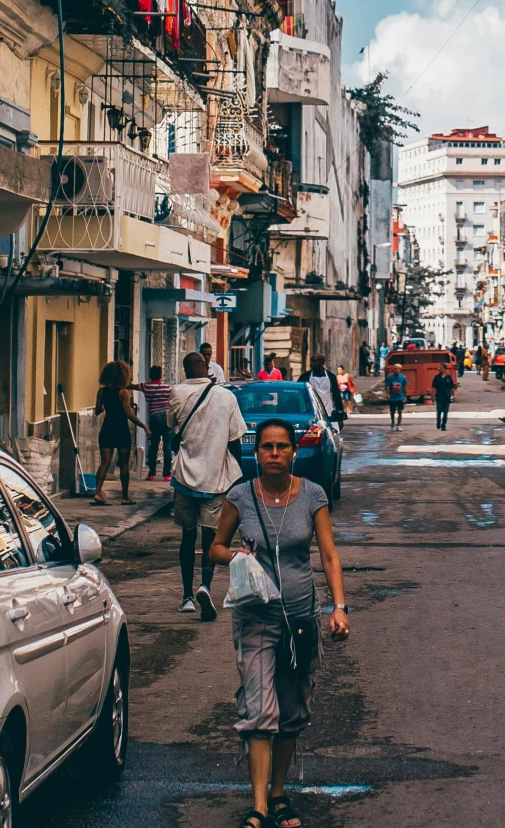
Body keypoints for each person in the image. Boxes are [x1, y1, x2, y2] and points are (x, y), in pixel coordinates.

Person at [210, 419, 349, 828]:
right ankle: (258, 806)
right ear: (257, 454)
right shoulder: (239, 497)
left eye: (282, 447)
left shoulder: (312, 496)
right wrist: (234, 555)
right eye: (267, 447)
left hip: (301, 620)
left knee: (291, 711)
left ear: (293, 452)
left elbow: (328, 555)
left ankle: (279, 793)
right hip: (256, 618)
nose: (274, 453)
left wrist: (339, 607)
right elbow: (214, 547)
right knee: (258, 709)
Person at [168, 351, 250, 619]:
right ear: (207, 367)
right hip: (215, 479)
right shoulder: (226, 397)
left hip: (184, 478)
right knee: (211, 538)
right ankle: (205, 584)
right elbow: (236, 440)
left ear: (185, 370)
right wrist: (238, 477)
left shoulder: (177, 393)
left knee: (187, 536)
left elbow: (171, 425)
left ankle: (186, 596)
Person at [94, 360, 139, 504]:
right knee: (124, 463)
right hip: (121, 429)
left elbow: (97, 411)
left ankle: (98, 493)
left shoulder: (102, 391)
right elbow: (128, 414)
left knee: (104, 462)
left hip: (107, 428)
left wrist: (106, 406)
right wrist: (144, 426)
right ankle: (125, 497)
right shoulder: (123, 392)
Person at [141, 366, 177, 481]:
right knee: (167, 446)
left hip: (154, 418)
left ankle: (151, 474)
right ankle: (166, 475)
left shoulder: (146, 387)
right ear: (161, 375)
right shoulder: (167, 388)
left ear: (150, 375)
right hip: (167, 417)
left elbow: (131, 385)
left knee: (153, 445)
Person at [430, 365, 457, 430]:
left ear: (445, 369)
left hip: (447, 397)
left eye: (441, 368)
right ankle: (438, 422)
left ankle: (443, 425)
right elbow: (433, 387)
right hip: (439, 397)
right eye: (439, 368)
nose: (439, 369)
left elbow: (452, 387)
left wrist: (453, 395)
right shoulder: (436, 377)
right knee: (439, 411)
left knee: (445, 412)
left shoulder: (448, 378)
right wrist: (433, 396)